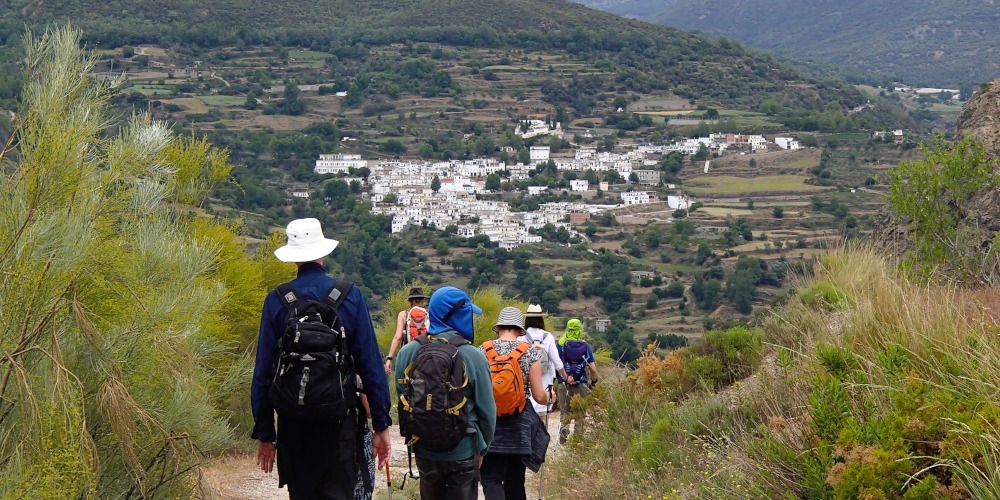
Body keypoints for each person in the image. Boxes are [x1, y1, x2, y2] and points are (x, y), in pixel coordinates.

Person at [251, 218, 392, 500]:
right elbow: (372, 367)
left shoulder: (277, 299)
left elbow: (263, 372)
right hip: (340, 428)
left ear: (294, 259)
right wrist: (381, 425)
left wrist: (266, 434)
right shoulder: (350, 296)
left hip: (293, 428)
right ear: (322, 252)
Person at [393, 286, 496, 500]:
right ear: (457, 315)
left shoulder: (407, 352)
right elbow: (488, 411)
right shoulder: (473, 355)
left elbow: (404, 398)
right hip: (464, 448)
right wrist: (482, 448)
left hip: (425, 449)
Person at [480, 307, 550, 500]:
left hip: (490, 425)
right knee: (515, 480)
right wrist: (550, 396)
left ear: (499, 327)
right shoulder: (529, 352)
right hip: (518, 427)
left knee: (491, 478)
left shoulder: (482, 350)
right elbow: (538, 396)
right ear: (520, 330)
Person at [517, 304, 568, 424]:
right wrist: (565, 377)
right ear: (541, 319)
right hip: (545, 381)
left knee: (525, 414)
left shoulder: (520, 336)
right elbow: (557, 361)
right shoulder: (548, 336)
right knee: (542, 416)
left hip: (525, 380)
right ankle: (541, 440)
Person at [556, 319, 599, 444]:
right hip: (582, 383)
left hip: (563, 384)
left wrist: (563, 377)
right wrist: (593, 381)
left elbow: (556, 364)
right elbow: (593, 368)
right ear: (580, 329)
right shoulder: (584, 346)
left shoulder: (560, 344)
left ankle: (563, 437)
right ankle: (577, 441)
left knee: (565, 412)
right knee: (580, 413)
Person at [384, 286, 430, 375]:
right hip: (428, 353)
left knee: (405, 379)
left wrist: (389, 358)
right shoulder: (429, 313)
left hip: (409, 354)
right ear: (423, 300)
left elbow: (398, 337)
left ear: (409, 301)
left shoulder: (404, 314)